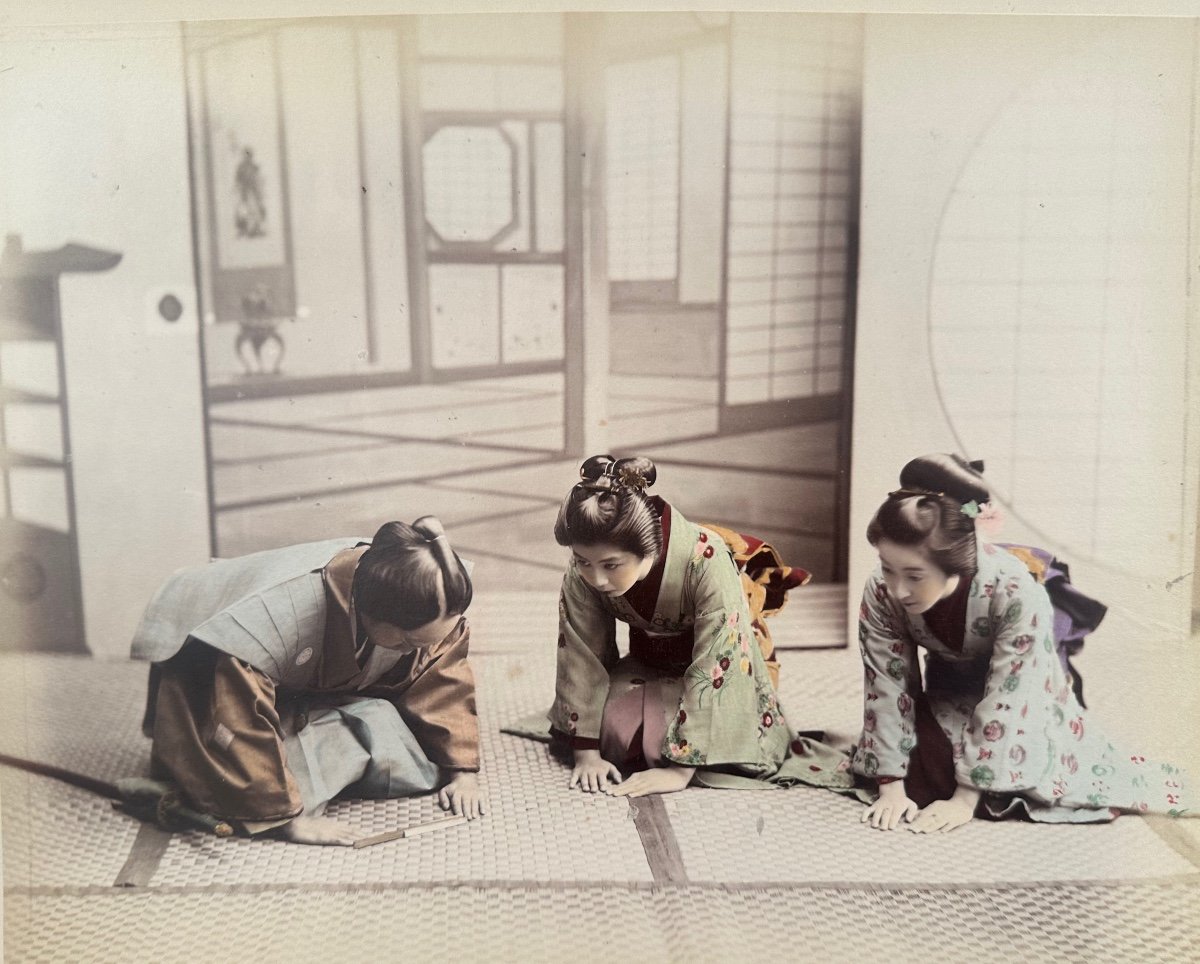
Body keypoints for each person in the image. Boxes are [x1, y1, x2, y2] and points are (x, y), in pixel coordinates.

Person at [854, 454, 1191, 833]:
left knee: (1027, 780)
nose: (898, 589)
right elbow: (887, 683)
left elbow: (1010, 696)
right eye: (887, 567)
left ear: (955, 561)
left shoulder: (1013, 589)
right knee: (914, 769)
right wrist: (890, 788)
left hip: (1025, 695)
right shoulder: (881, 590)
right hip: (947, 691)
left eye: (915, 575)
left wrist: (964, 801)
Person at [131, 517, 484, 845]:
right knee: (248, 784)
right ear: (372, 612)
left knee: (407, 756)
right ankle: (263, 793)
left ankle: (296, 736)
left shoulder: (423, 601)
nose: (414, 652)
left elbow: (441, 669)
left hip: (295, 684)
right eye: (408, 643)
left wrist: (461, 773)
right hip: (211, 681)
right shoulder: (275, 615)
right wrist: (291, 820)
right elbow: (238, 713)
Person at [549, 455, 809, 798]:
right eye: (583, 561)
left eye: (611, 565)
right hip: (649, 662)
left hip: (727, 669)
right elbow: (581, 651)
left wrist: (680, 770)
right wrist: (586, 754)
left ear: (647, 546)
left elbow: (720, 659)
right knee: (613, 729)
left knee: (666, 741)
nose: (596, 578)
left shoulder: (706, 560)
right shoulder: (586, 570)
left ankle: (690, 750)